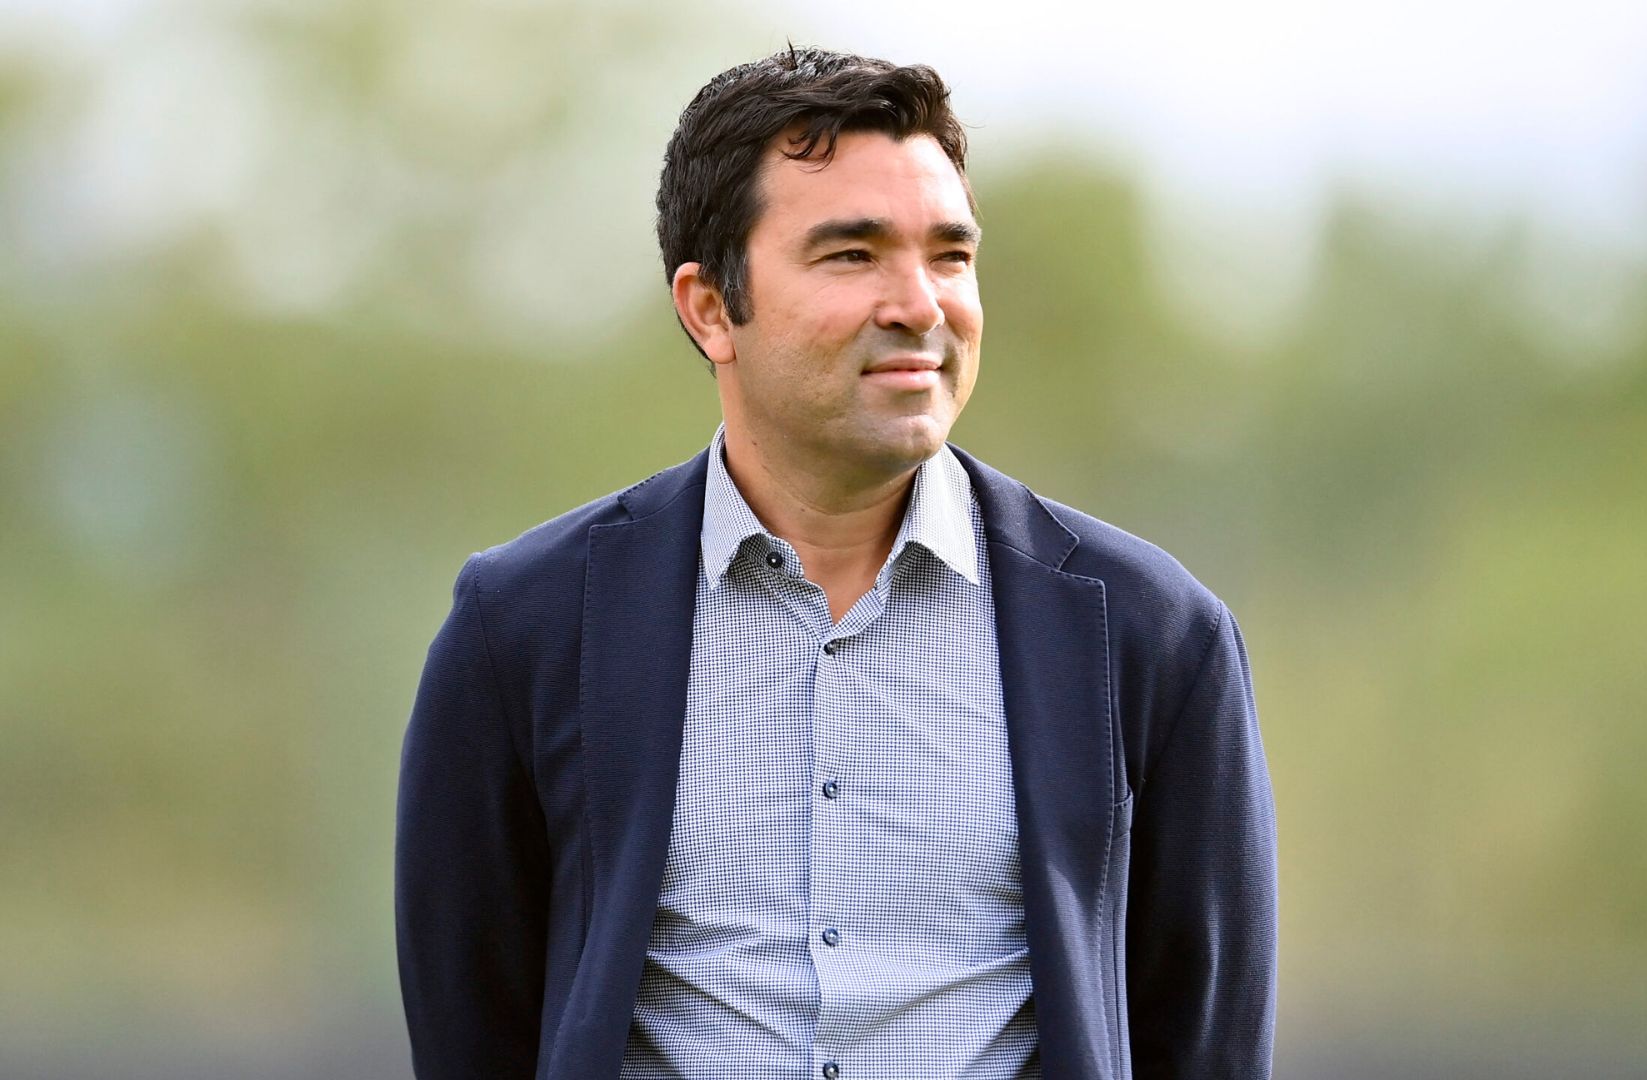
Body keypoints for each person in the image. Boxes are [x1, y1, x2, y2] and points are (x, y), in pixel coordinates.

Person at [395, 47, 1277, 1080]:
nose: (920, 303)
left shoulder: (1150, 636)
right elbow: (472, 1027)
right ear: (710, 307)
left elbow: (1205, 1042)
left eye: (949, 255)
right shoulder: (525, 627)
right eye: (852, 255)